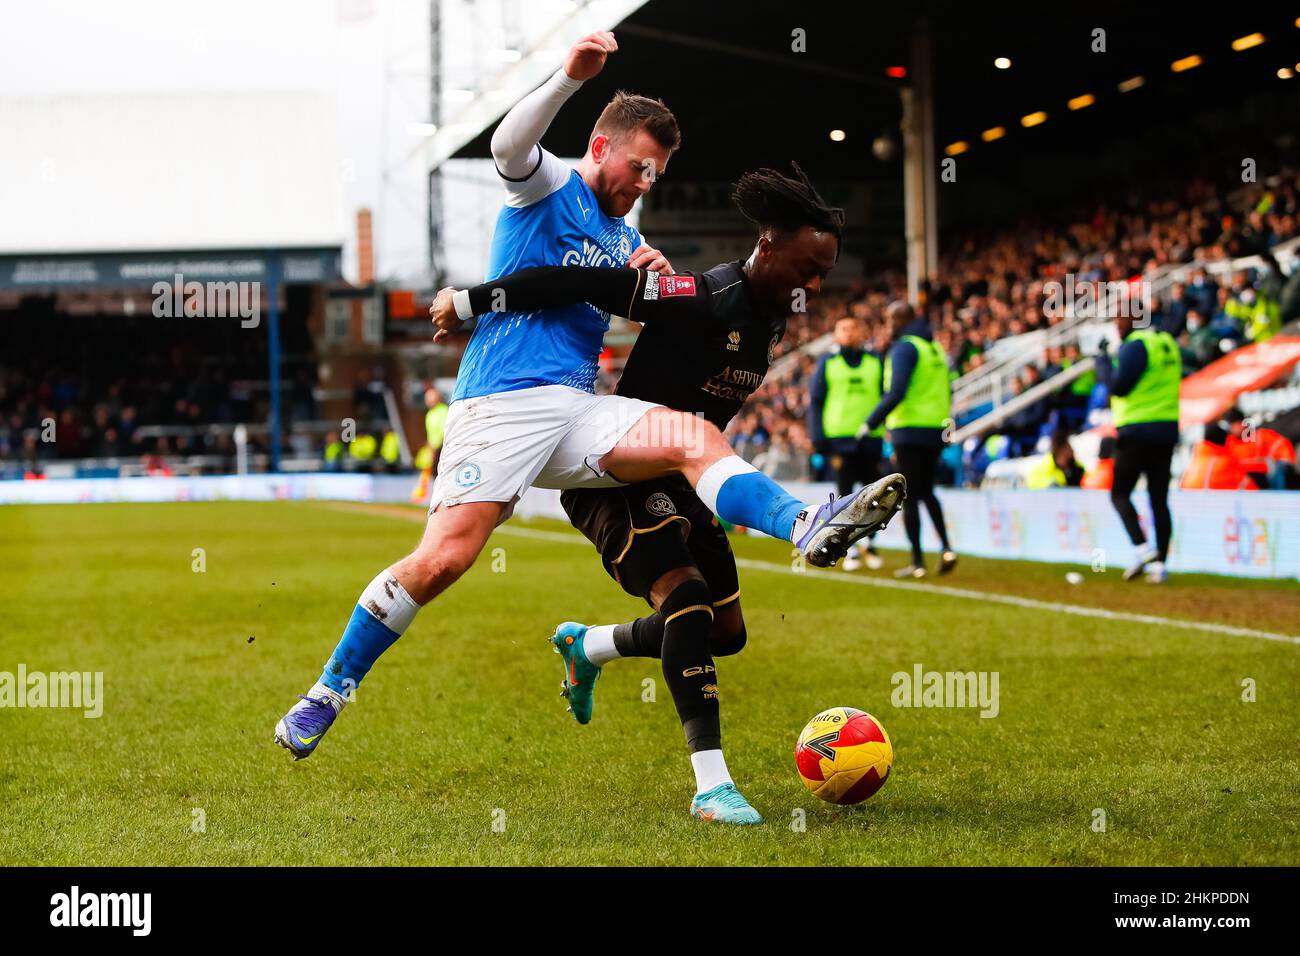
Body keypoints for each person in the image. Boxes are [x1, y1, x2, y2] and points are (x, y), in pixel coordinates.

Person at [274, 36, 901, 765]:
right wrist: (568, 78)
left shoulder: (624, 230)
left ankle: (803, 524)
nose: (644, 183)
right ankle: (329, 689)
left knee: (693, 437)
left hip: (577, 406)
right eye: (639, 167)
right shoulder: (546, 187)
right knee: (445, 559)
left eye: (656, 175)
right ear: (601, 146)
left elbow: (628, 300)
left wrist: (655, 273)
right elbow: (512, 144)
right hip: (501, 402)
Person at [428, 164, 905, 824]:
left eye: (823, 273)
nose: (814, 286)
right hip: (617, 477)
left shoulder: (769, 320)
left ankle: (588, 646)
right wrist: (474, 300)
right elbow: (573, 282)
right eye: (806, 268)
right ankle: (712, 786)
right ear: (766, 246)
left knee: (727, 634)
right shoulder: (696, 294)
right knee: (685, 599)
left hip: (688, 480)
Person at [865, 301, 958, 579]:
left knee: (910, 495)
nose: (888, 325)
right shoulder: (935, 349)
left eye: (890, 319)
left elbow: (897, 392)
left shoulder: (905, 347)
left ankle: (917, 561)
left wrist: (869, 423)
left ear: (900, 320)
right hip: (935, 429)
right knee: (927, 491)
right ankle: (947, 548)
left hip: (908, 430)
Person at [1095, 314, 1181, 583]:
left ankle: (1144, 550)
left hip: (1136, 430)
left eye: (1120, 321)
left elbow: (1118, 386)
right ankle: (1160, 566)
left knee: (1120, 494)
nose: (1116, 327)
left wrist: (1101, 361)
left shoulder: (1136, 345)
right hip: (1166, 428)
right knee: (1159, 500)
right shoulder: (1167, 342)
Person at [808, 315, 886, 570]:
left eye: (854, 327)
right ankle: (847, 548)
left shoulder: (876, 361)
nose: (849, 332)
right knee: (844, 495)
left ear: (862, 331)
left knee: (875, 495)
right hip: (840, 439)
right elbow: (816, 401)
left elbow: (887, 397)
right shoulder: (828, 363)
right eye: (843, 328)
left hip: (870, 438)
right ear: (835, 334)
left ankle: (870, 544)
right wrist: (818, 437)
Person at [1180, 423, 1257, 490]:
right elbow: (1250, 488)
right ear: (1224, 441)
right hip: (1218, 504)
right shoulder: (1227, 462)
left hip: (1190, 504)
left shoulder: (1194, 462)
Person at [410, 386, 448, 503]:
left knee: (440, 473)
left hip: (442, 447)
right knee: (431, 473)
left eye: (430, 398)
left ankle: (439, 498)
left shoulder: (443, 411)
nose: (428, 401)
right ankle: (428, 497)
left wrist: (436, 447)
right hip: (433, 448)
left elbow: (445, 431)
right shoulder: (430, 414)